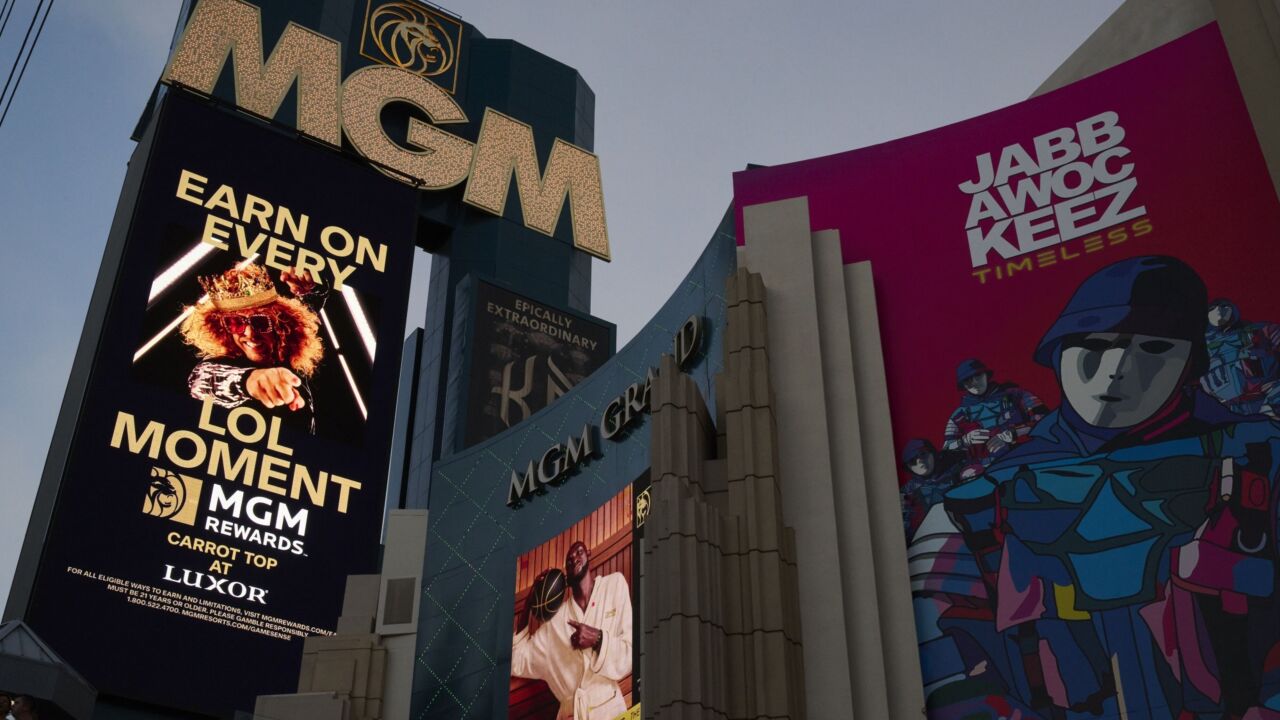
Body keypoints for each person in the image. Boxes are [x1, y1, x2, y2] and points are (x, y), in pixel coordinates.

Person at [917, 256, 1280, 719]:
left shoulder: (1265, 459)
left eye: (1151, 348)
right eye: (1092, 344)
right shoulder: (968, 508)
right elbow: (945, 678)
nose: (1116, 369)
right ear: (1058, 352)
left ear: (1190, 360)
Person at [180, 263, 325, 431]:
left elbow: (310, 306)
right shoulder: (222, 363)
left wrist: (312, 287)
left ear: (281, 325)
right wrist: (249, 381)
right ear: (223, 329)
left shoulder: (284, 351)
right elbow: (202, 381)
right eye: (235, 323)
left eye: (260, 321)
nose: (249, 334)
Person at [512, 540, 632, 720]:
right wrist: (530, 602)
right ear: (565, 575)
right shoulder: (554, 624)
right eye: (569, 560)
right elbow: (516, 660)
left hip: (611, 708)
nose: (574, 558)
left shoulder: (614, 585)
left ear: (589, 554)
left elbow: (629, 654)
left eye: (579, 551)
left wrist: (598, 639)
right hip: (572, 714)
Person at [941, 358, 1047, 468]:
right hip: (985, 468)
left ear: (986, 375)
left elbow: (1046, 420)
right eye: (967, 380)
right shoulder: (959, 415)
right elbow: (946, 449)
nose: (974, 382)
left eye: (977, 375)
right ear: (963, 385)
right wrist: (964, 441)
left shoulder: (1016, 395)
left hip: (1024, 456)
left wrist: (1012, 434)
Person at [1202, 297, 1280, 418]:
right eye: (1212, 308)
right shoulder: (1199, 346)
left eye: (1223, 306)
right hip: (1226, 409)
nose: (1218, 310)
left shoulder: (1261, 330)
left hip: (1268, 397)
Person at [899, 438, 968, 540]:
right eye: (913, 460)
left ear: (933, 453)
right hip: (938, 534)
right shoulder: (908, 491)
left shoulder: (957, 467)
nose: (919, 461)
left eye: (923, 454)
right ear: (908, 467)